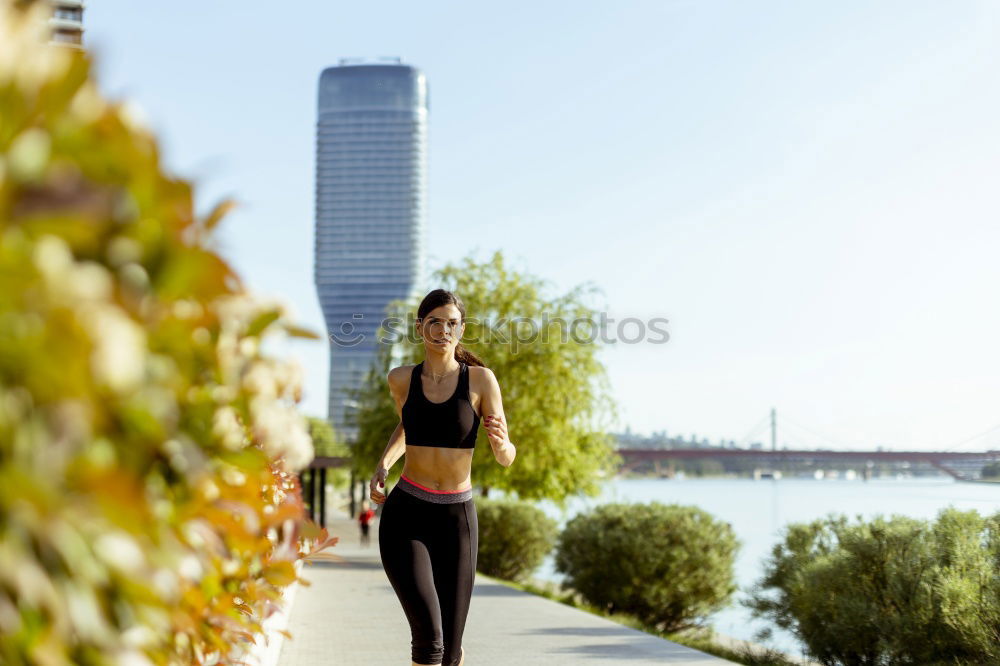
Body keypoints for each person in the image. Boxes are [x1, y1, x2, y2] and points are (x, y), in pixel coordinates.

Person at [370, 289, 517, 666]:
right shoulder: (401, 379)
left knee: (450, 652)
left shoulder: (481, 381)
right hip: (407, 515)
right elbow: (408, 426)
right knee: (429, 641)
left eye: (451, 323)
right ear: (420, 327)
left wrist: (502, 447)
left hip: (456, 519)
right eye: (434, 322)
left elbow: (507, 455)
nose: (443, 330)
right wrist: (383, 463)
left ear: (461, 329)